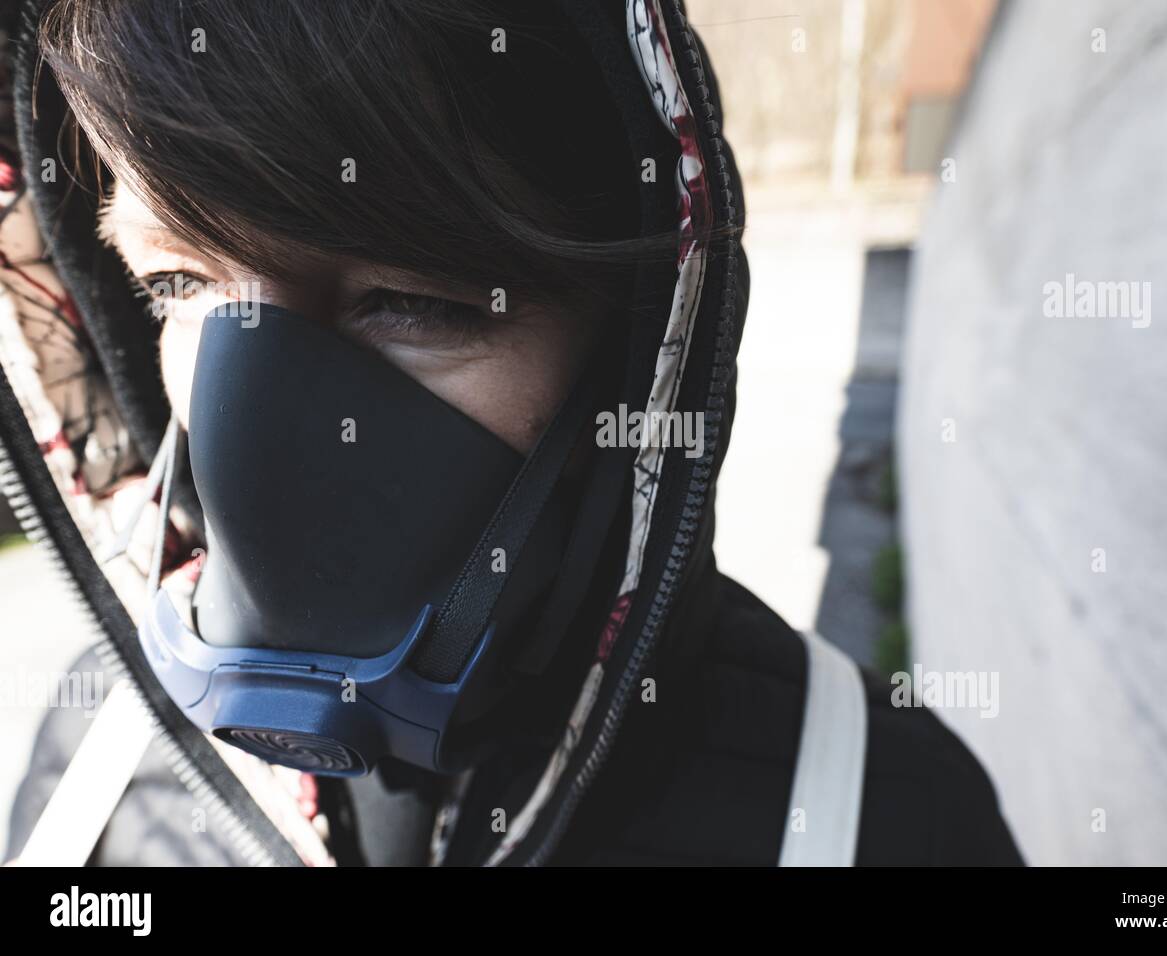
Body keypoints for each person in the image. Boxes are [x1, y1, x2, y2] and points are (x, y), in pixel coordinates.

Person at [0, 0, 1022, 866]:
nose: (251, 427)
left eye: (408, 299)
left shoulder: (878, 816)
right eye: (178, 283)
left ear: (633, 343)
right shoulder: (92, 765)